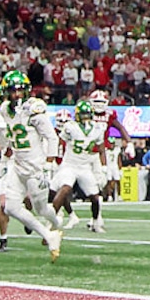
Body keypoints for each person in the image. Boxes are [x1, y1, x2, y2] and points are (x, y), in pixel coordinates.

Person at [0, 70, 63, 258]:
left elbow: (52, 137)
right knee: (10, 207)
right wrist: (6, 151)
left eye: (20, 91)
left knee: (41, 209)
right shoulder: (4, 109)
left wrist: (49, 164)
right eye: (13, 91)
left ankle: (57, 223)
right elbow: (13, 134)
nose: (17, 95)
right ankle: (48, 235)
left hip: (37, 167)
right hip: (18, 165)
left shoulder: (33, 110)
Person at [50, 100, 106, 233]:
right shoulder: (70, 126)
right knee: (63, 189)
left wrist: (103, 166)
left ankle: (96, 221)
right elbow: (59, 142)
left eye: (87, 114)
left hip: (85, 166)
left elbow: (101, 148)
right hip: (69, 164)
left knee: (95, 196)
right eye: (83, 114)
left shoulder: (98, 128)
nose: (85, 117)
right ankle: (51, 221)